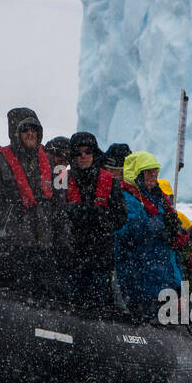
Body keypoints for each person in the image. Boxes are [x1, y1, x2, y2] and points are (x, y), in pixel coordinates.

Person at [0, 107, 72, 298]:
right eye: (25, 129)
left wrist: (63, 245)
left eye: (34, 129)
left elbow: (60, 209)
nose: (30, 133)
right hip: (14, 250)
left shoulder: (53, 165)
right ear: (15, 132)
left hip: (45, 248)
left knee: (50, 299)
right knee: (20, 303)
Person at [115, 150, 183, 320]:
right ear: (136, 174)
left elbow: (170, 250)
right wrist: (162, 222)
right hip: (142, 283)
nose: (154, 174)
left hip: (161, 282)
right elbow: (128, 232)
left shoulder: (158, 200)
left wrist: (179, 284)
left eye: (155, 170)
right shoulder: (127, 198)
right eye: (148, 171)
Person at [64, 131, 127, 310]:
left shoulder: (110, 182)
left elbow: (121, 217)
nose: (83, 156)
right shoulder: (62, 180)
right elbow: (54, 215)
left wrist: (97, 217)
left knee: (96, 311)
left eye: (87, 151)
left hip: (99, 261)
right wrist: (73, 213)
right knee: (69, 310)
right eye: (78, 152)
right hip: (70, 259)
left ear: (94, 153)